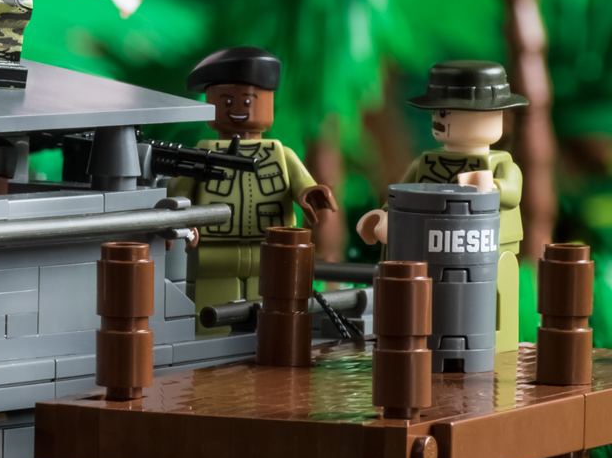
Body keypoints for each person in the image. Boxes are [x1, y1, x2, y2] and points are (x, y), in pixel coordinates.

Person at [357, 60, 526, 352]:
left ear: (494, 115)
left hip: (489, 248)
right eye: (438, 110)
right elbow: (400, 198)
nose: (440, 117)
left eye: (449, 110)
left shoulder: (500, 165)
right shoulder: (425, 163)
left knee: (493, 294)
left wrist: (492, 186)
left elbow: (512, 192)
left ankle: (495, 344)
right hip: (430, 247)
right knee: (428, 298)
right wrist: (383, 218)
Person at [167, 47, 336, 334]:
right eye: (227, 101)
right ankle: (210, 348)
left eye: (247, 101)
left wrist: (310, 194)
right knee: (211, 311)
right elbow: (178, 194)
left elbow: (302, 184)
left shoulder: (282, 155)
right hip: (215, 250)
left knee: (274, 308)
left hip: (271, 249)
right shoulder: (202, 155)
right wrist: (179, 222)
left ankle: (275, 342)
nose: (238, 108)